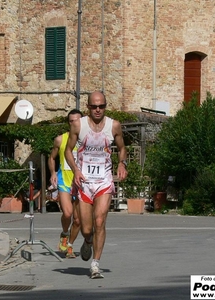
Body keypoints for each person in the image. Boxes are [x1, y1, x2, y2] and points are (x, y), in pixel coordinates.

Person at [65, 91, 128, 278]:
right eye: (94, 106)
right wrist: (76, 169)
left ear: (106, 106)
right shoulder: (78, 125)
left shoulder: (114, 126)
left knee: (100, 221)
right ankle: (88, 240)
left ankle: (95, 264)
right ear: (88, 107)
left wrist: (122, 163)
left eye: (101, 106)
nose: (98, 110)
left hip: (104, 181)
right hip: (84, 182)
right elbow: (68, 150)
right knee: (86, 228)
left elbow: (122, 148)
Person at [48, 109, 83, 259]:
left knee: (78, 220)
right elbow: (52, 158)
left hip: (80, 184)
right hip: (64, 182)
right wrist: (53, 173)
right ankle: (64, 233)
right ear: (68, 123)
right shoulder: (60, 140)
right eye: (71, 121)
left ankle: (69, 244)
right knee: (67, 213)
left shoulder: (86, 140)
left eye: (77, 120)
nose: (74, 123)